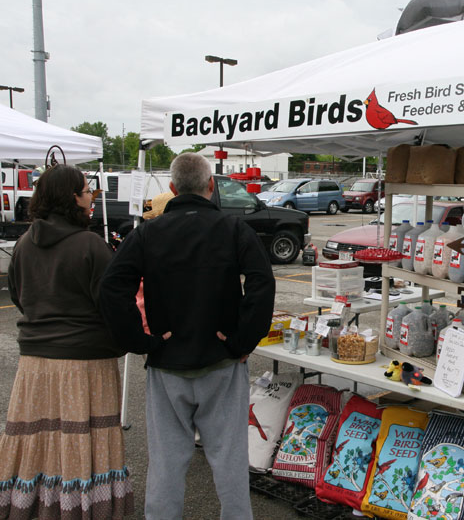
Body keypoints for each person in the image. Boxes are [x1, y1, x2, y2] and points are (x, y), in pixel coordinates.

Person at [99, 153, 275, 520]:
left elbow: (112, 288)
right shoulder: (234, 229)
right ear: (211, 187)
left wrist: (140, 341)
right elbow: (262, 283)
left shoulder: (147, 233)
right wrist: (242, 340)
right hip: (222, 363)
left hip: (167, 364)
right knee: (229, 462)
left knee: (166, 463)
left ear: (173, 188)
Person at [0, 164, 134, 518]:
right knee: (80, 439)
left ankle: (36, 506)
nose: (91, 196)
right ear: (72, 198)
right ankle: (83, 508)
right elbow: (114, 306)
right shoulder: (91, 245)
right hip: (85, 362)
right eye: (87, 190)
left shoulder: (25, 243)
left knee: (42, 440)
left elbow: (18, 295)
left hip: (35, 364)